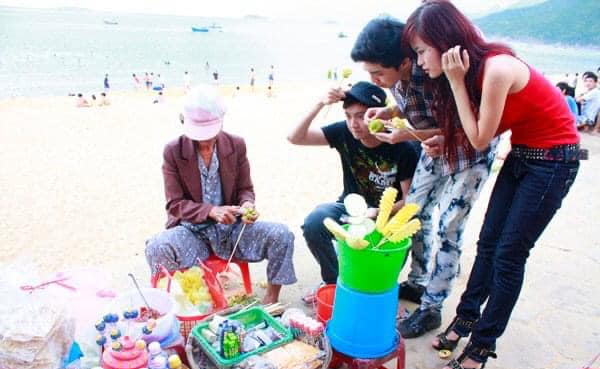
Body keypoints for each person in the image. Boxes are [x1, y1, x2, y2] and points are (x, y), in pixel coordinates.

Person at [404, 0, 580, 369]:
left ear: (444, 42)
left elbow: (481, 139)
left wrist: (454, 81)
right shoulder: (474, 74)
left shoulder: (496, 69)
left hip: (554, 161)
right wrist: (443, 138)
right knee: (487, 245)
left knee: (508, 257)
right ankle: (464, 321)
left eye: (421, 51)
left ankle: (482, 345)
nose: (419, 62)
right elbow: (481, 129)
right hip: (522, 155)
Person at [351, 17, 497, 339]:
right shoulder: (399, 78)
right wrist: (390, 113)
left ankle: (432, 307)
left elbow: (460, 129)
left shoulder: (434, 75)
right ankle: (418, 282)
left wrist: (406, 135)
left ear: (404, 62)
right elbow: (413, 109)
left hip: (470, 154)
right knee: (413, 213)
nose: (374, 81)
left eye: (378, 73)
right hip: (432, 150)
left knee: (450, 226)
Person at [145, 85, 296, 304]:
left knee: (281, 235)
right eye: (199, 136)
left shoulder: (236, 145)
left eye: (210, 135)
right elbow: (174, 204)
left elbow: (245, 189)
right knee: (156, 246)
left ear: (221, 122)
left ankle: (271, 298)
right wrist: (211, 211)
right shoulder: (173, 151)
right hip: (192, 233)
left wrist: (247, 205)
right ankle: (174, 302)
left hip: (232, 230)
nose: (205, 142)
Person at [287, 81, 419, 298]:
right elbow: (295, 138)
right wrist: (320, 103)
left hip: (387, 217)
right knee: (314, 222)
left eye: (361, 116)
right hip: (351, 209)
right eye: (348, 116)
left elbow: (410, 200)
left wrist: (377, 212)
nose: (353, 124)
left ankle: (380, 288)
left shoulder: (401, 145)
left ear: (380, 115)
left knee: (381, 267)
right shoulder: (344, 132)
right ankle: (334, 282)